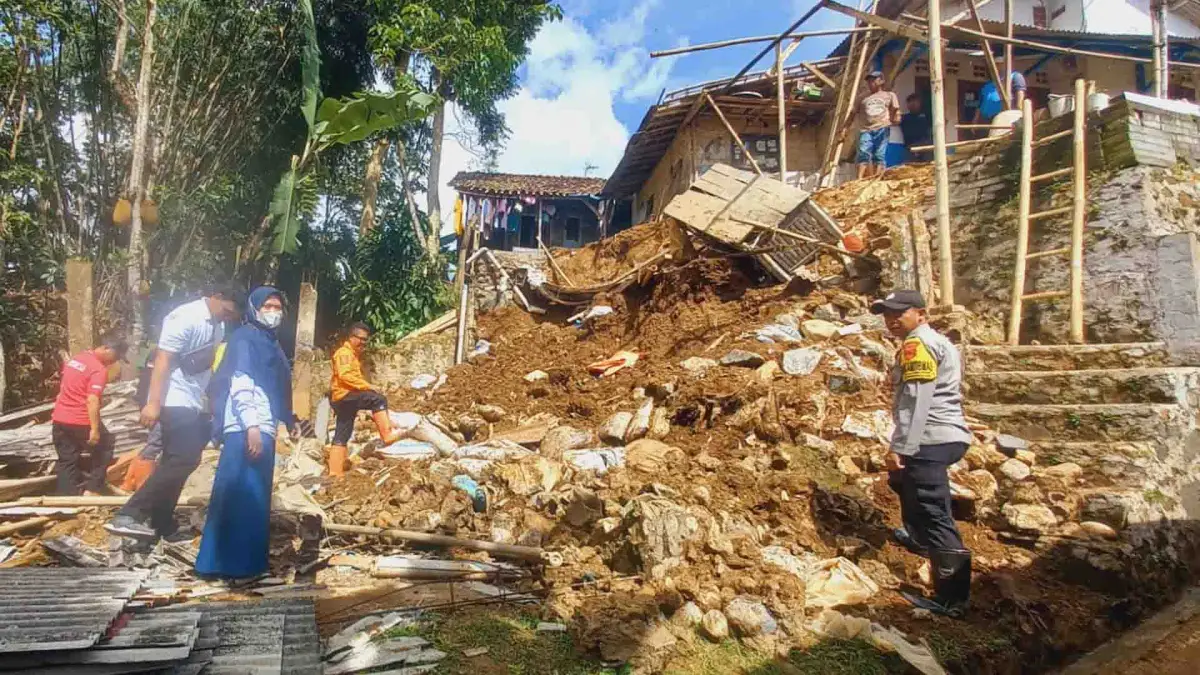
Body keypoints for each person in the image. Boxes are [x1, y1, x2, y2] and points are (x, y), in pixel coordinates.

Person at [106, 284, 244, 539]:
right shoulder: (185, 317)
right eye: (228, 310)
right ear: (216, 296)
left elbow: (204, 368)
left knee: (175, 460)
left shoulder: (218, 325)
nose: (229, 316)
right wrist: (154, 402)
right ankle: (130, 513)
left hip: (193, 400)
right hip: (173, 398)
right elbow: (163, 360)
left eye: (233, 315)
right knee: (184, 459)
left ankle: (161, 522)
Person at [871, 289, 974, 618]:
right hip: (939, 436)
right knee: (905, 481)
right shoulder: (931, 342)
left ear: (921, 314)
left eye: (899, 312)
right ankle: (918, 539)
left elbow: (916, 401)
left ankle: (951, 599)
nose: (891, 319)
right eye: (887, 313)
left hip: (930, 437)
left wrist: (901, 446)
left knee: (933, 509)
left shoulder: (917, 346)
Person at [196, 287, 291, 580]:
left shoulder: (268, 342)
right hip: (247, 427)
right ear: (254, 308)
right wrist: (252, 427)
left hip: (261, 426)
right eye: (269, 306)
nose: (274, 311)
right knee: (245, 496)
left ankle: (223, 564)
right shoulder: (246, 339)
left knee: (244, 496)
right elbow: (241, 385)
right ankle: (236, 566)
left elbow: (275, 388)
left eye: (278, 306)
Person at [50, 334, 129, 496]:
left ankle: (66, 498)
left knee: (67, 459)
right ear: (107, 348)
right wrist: (94, 429)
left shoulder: (77, 359)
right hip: (80, 419)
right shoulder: (98, 370)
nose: (115, 361)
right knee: (105, 446)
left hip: (59, 418)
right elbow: (92, 399)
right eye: (116, 356)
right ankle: (93, 489)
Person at [328, 322, 401, 475]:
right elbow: (345, 375)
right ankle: (387, 436)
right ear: (351, 337)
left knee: (342, 434)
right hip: (344, 395)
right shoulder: (344, 353)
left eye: (365, 340)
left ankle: (335, 474)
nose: (362, 342)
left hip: (344, 398)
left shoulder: (353, 355)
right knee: (378, 400)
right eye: (360, 339)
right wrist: (367, 386)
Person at [857, 71, 901, 179]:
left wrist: (895, 118)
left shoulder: (889, 95)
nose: (870, 82)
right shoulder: (863, 98)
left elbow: (896, 109)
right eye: (869, 81)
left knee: (880, 154)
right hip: (866, 129)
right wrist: (844, 130)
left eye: (873, 80)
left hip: (882, 127)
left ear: (881, 81)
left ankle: (877, 178)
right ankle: (859, 179)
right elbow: (853, 112)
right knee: (863, 153)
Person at [899, 93, 933, 162]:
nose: (914, 105)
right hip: (910, 147)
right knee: (910, 168)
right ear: (908, 105)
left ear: (920, 104)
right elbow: (893, 120)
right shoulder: (904, 118)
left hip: (925, 147)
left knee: (928, 168)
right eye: (911, 103)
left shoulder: (926, 116)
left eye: (916, 102)